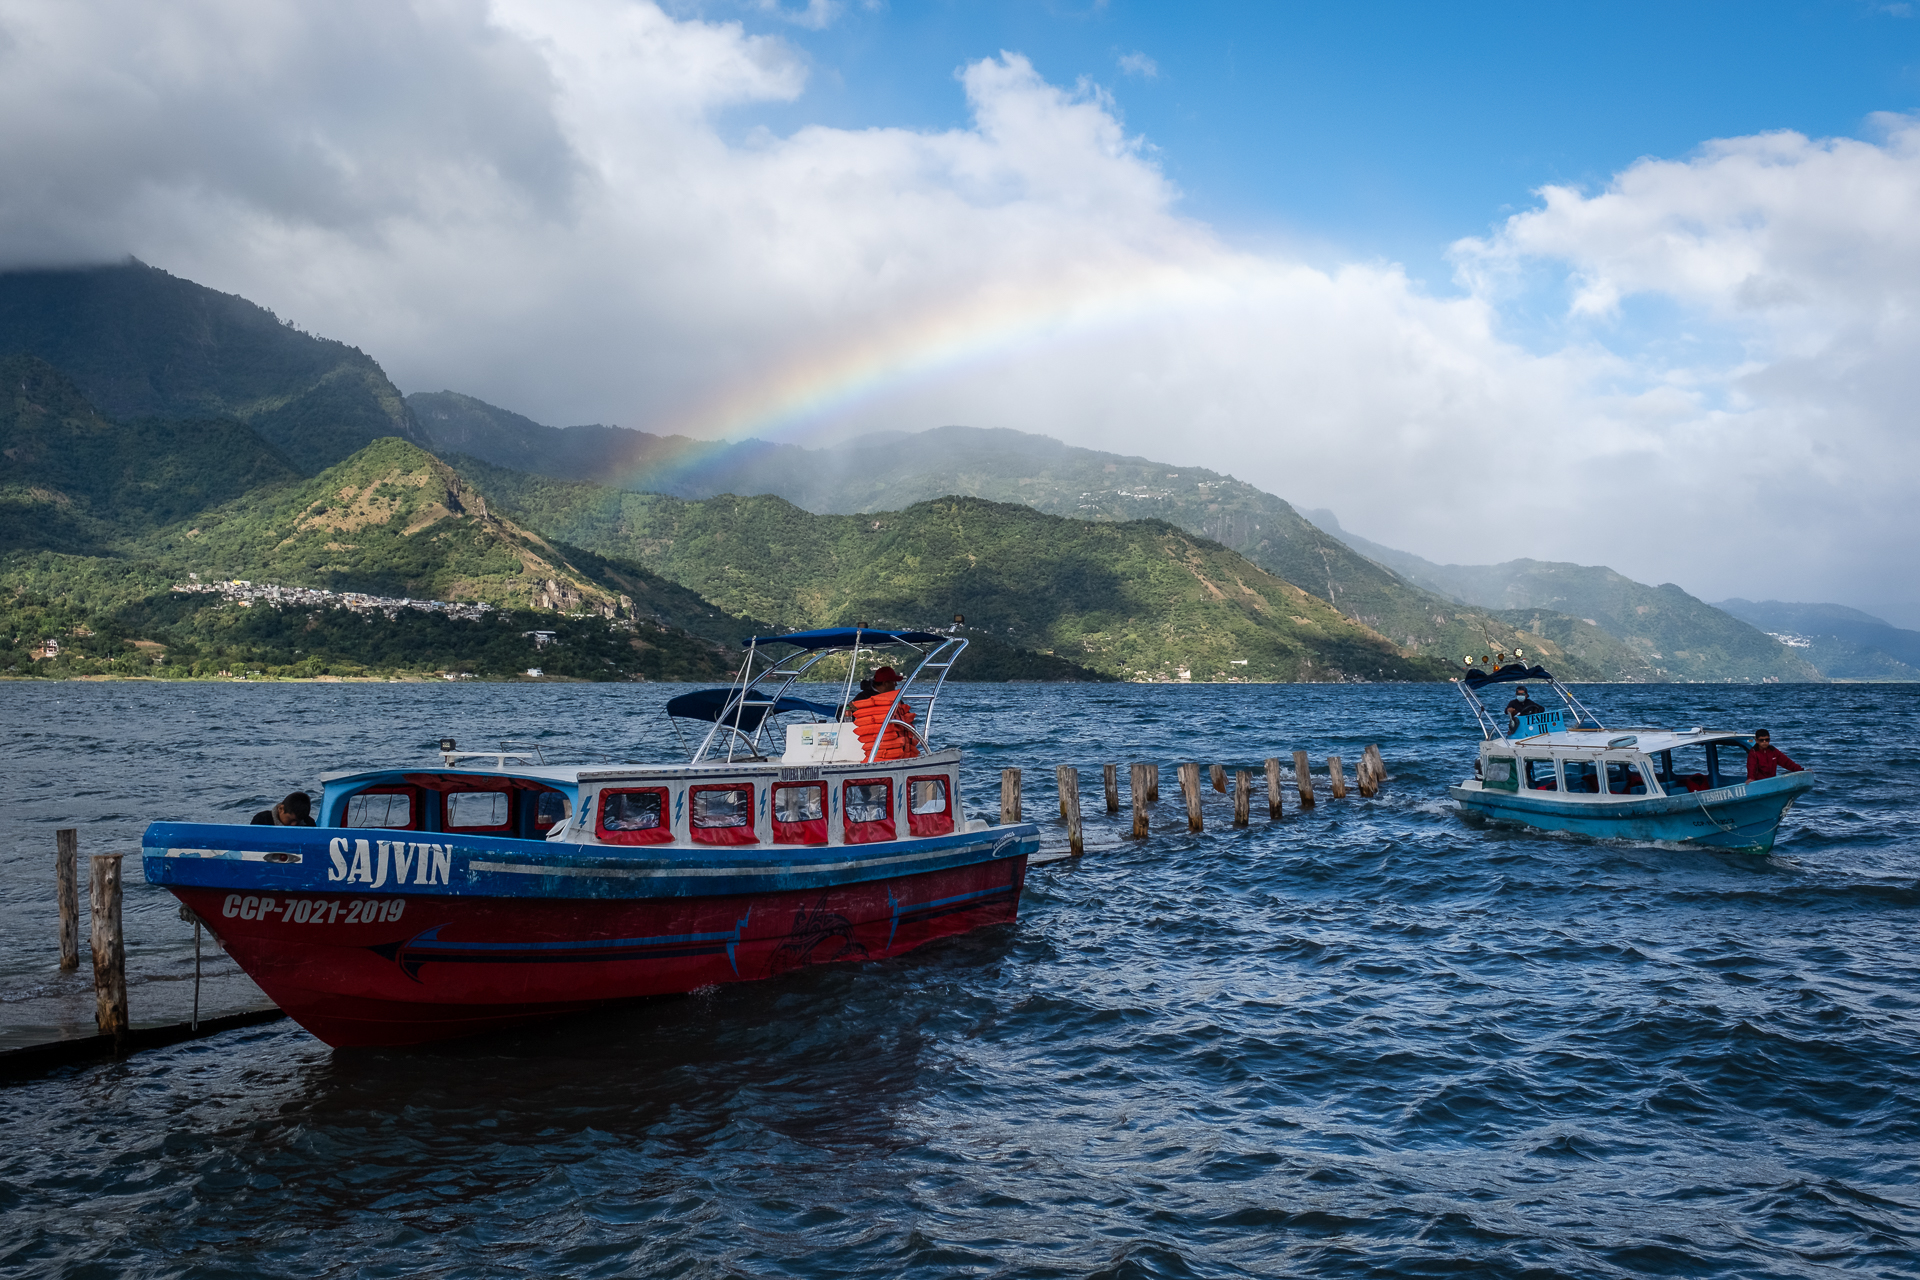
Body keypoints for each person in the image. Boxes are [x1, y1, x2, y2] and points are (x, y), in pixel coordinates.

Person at [851, 666, 919, 761]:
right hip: (875, 743)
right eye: (893, 682)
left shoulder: (895, 700)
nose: (895, 685)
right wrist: (851, 709)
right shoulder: (863, 697)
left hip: (895, 744)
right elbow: (844, 712)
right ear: (885, 683)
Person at [252, 791, 316, 826]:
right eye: (291, 820)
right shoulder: (261, 821)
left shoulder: (309, 824)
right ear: (281, 809)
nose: (293, 824)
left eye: (298, 821)